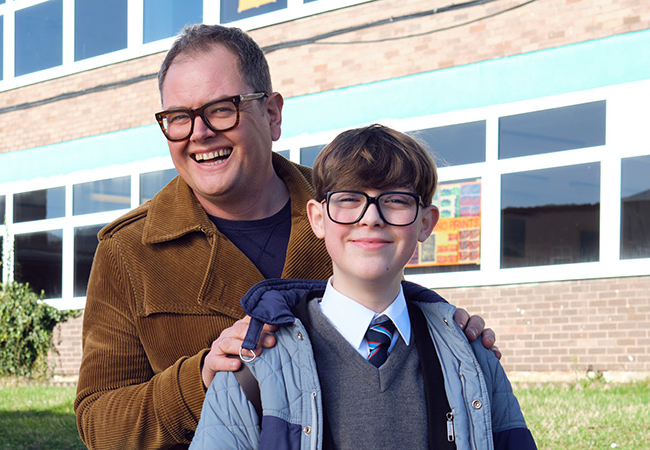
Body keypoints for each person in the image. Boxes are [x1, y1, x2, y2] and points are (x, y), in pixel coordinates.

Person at [74, 24, 498, 449]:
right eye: (179, 118)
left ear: (272, 114)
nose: (198, 133)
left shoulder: (345, 210)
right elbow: (99, 424)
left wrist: (447, 330)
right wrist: (200, 379)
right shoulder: (128, 251)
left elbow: (387, 309)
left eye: (222, 109)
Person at [191, 124, 536, 449]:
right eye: (348, 200)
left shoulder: (470, 360)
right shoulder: (256, 365)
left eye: (396, 201)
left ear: (425, 223)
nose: (371, 218)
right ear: (318, 219)